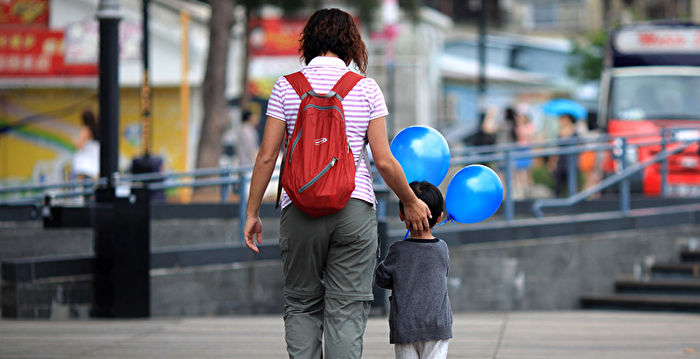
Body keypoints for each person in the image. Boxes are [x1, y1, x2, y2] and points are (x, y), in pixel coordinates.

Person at [242, 8, 431, 359]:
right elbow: (384, 160)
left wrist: (252, 212)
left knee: (301, 303)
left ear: (309, 42)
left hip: (298, 208)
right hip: (353, 208)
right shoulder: (366, 89)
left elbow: (267, 157)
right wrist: (409, 199)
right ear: (351, 44)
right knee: (346, 310)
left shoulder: (286, 86)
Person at [375, 181, 452, 359]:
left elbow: (382, 279)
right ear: (439, 217)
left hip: (405, 327)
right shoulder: (442, 248)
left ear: (402, 214)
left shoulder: (398, 250)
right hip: (437, 327)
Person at [550, 113, 579, 197]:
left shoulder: (574, 132)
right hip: (561, 161)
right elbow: (556, 149)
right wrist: (553, 162)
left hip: (571, 161)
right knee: (558, 183)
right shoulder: (560, 133)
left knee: (571, 182)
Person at [72, 109, 99, 181]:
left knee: (84, 188)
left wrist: (74, 141)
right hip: (93, 166)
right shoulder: (96, 129)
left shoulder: (86, 129)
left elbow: (80, 145)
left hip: (84, 166)